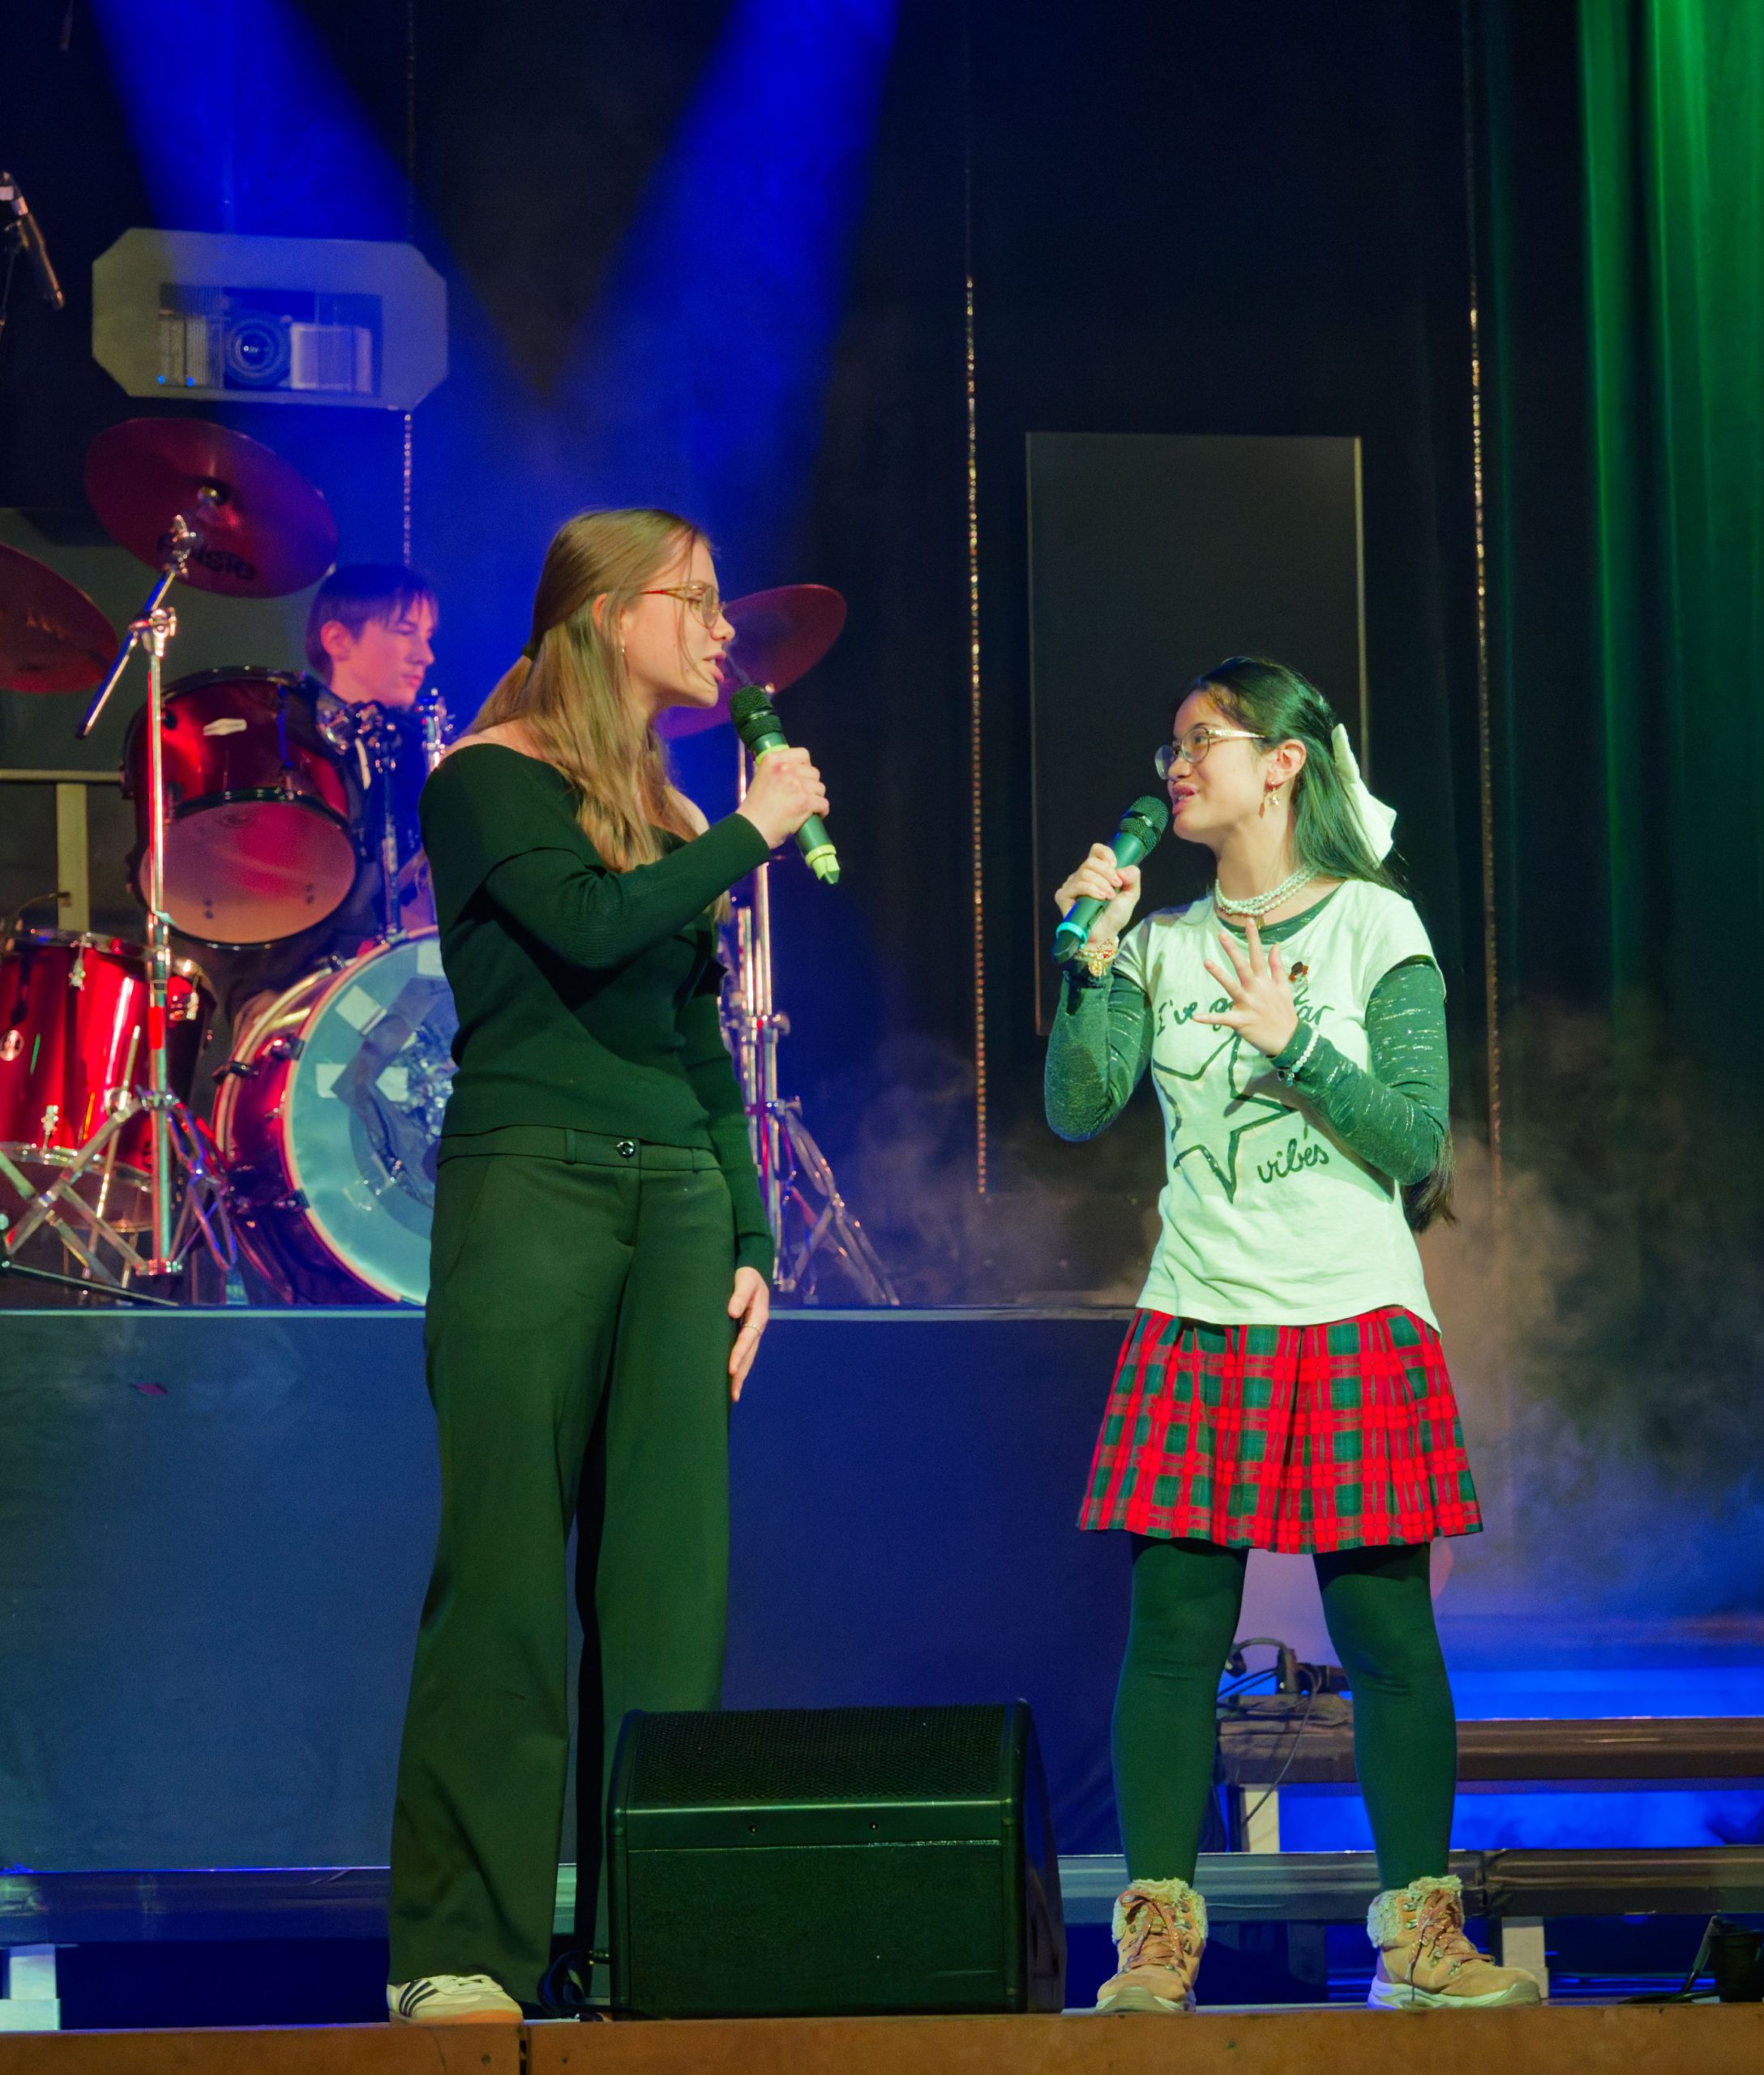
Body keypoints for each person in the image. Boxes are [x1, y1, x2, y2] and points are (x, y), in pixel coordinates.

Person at [384, 508, 828, 2024]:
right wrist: (747, 835)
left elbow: (698, 1038)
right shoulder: (484, 780)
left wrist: (753, 1234)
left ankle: (654, 1946)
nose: (722, 628)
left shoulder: (668, 807)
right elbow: (582, 931)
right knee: (506, 1575)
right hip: (534, 1189)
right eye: (693, 599)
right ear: (604, 615)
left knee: (665, 1592)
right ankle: (462, 1951)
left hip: (679, 1205)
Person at [1045, 657, 1539, 2016]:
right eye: (1169, 744)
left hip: (1351, 1311)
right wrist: (1092, 958)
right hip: (1200, 1312)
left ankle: (1422, 1937)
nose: (1175, 764)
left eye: (1203, 738)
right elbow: (1080, 1106)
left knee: (1387, 1638)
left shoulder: (1377, 925)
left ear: (1283, 765)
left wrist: (1299, 1044)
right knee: (1170, 1640)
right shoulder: (1160, 941)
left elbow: (1417, 1141)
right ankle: (1155, 1941)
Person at [200, 563, 442, 1033]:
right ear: (338, 640)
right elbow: (224, 883)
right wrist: (252, 996)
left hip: (403, 989)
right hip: (294, 996)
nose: (425, 655)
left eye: (429, 636)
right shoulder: (282, 743)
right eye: (405, 632)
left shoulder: (415, 754)